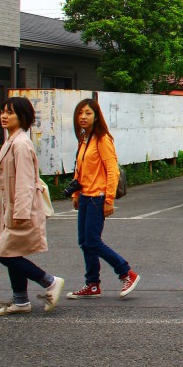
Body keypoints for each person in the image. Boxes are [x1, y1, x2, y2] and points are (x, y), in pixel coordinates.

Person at [0, 97, 65, 315]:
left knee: (6, 254)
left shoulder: (21, 143)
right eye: (3, 111)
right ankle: (21, 300)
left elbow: (24, 180)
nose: (4, 116)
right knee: (13, 252)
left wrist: (20, 212)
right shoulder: (12, 141)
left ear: (22, 117)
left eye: (10, 113)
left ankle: (49, 282)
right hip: (12, 207)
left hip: (19, 208)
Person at [66, 98, 140, 299]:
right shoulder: (84, 139)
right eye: (80, 112)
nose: (83, 116)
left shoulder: (102, 139)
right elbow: (79, 169)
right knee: (84, 241)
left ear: (96, 116)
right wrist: (75, 193)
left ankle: (126, 273)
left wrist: (109, 199)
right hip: (85, 197)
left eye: (88, 113)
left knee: (93, 241)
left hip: (97, 198)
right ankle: (92, 284)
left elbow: (112, 171)